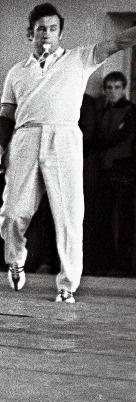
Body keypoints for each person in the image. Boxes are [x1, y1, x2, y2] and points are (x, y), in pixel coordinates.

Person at [0, 3, 136, 303]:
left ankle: (67, 284)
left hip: (64, 138)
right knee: (13, 213)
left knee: (69, 215)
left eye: (53, 28)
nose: (47, 34)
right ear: (30, 33)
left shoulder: (80, 58)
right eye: (41, 28)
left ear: (61, 34)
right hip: (25, 138)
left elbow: (118, 42)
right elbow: (5, 114)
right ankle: (15, 259)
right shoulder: (17, 71)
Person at [92, 71, 136, 276]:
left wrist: (100, 142)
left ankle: (124, 266)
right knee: (102, 218)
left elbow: (121, 137)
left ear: (124, 89)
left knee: (125, 219)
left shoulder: (131, 111)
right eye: (109, 88)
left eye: (117, 87)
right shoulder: (101, 111)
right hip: (104, 169)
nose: (112, 91)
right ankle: (107, 263)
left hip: (123, 169)